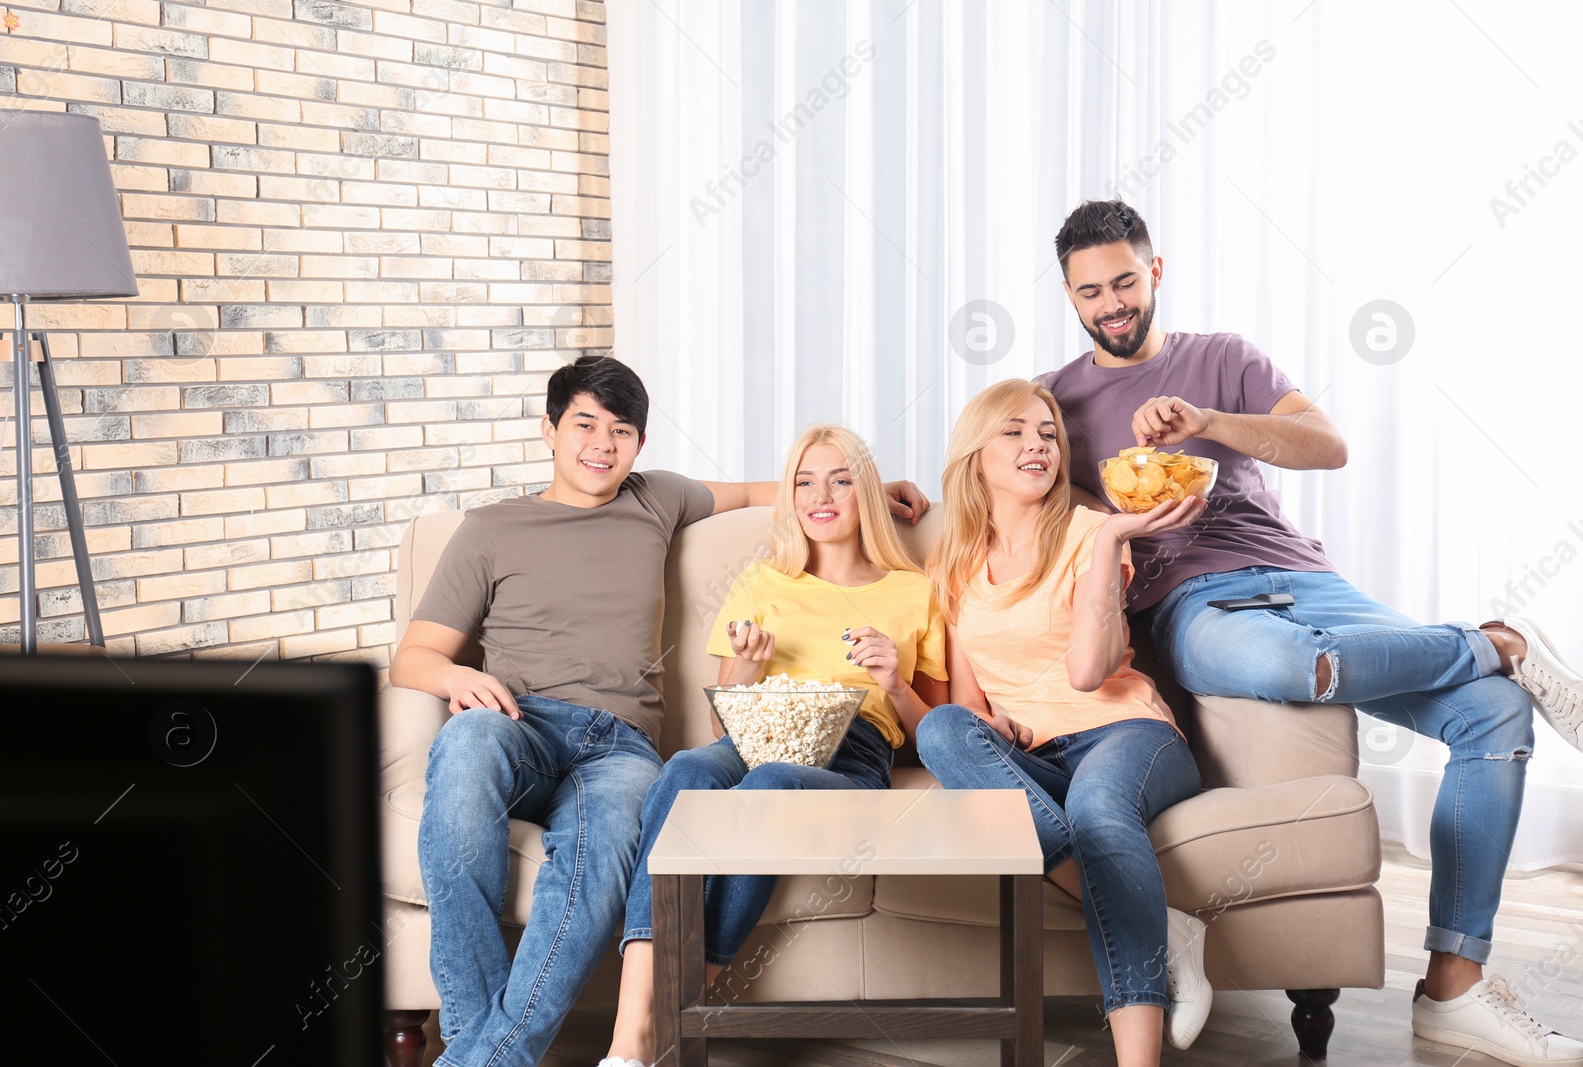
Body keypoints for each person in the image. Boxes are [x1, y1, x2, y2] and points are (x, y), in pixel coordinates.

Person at [1036, 198, 1583, 1066]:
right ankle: (1499, 641)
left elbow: (1325, 446)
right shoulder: (1054, 403)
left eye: (1126, 282)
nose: (1112, 304)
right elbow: (992, 482)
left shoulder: (1221, 359)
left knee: (1492, 716)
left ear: (1157, 272)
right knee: (1296, 665)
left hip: (1306, 578)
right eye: (1091, 291)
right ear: (1068, 296)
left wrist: (1207, 423)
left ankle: (1453, 985)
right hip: (1192, 600)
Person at [390, 357, 930, 1067]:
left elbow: (765, 492)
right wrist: (458, 677)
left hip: (619, 748)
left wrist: (864, 486)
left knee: (601, 858)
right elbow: (413, 658)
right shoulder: (489, 529)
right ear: (549, 429)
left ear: (640, 445)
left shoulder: (657, 498)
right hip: (514, 720)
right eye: (584, 424)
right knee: (462, 751)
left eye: (621, 431)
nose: (602, 444)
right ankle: (484, 1053)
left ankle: (484, 1058)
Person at [600, 423, 949, 1067]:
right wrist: (746, 670)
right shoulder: (764, 581)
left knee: (770, 787)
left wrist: (893, 681)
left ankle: (678, 1023)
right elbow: (721, 729)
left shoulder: (914, 590)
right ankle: (627, 1045)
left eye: (841, 479)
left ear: (866, 493)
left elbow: (938, 736)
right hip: (760, 733)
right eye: (804, 481)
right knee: (683, 771)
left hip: (853, 750)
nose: (822, 495)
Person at [916, 379, 1212, 1066]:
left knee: (1099, 809)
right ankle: (1164, 926)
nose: (1037, 444)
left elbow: (1088, 673)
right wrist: (1001, 728)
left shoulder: (1089, 532)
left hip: (1126, 732)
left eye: (1048, 432)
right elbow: (971, 708)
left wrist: (1111, 538)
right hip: (1036, 752)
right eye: (1014, 431)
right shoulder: (953, 564)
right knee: (940, 731)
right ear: (975, 455)